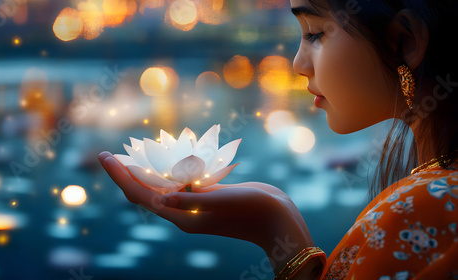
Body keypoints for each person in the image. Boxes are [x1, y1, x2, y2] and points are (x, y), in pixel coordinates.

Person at [99, 0, 458, 278]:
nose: (298, 63)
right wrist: (277, 225)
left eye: (315, 33)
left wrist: (274, 232)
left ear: (403, 42)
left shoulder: (421, 209)